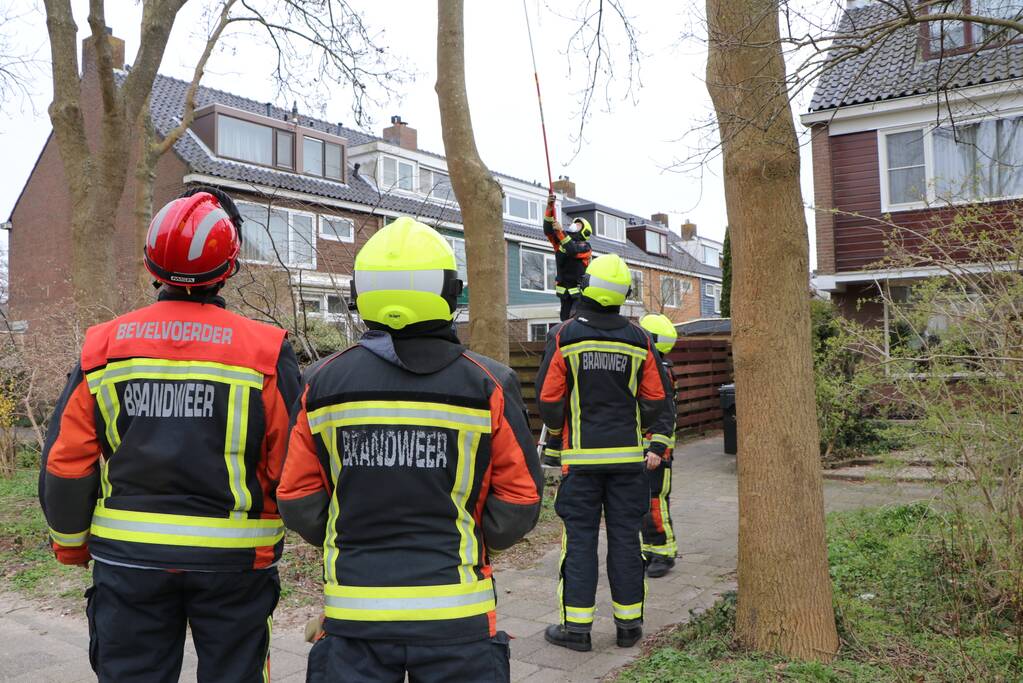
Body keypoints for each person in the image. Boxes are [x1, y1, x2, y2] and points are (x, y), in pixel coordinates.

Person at [38, 187, 301, 682]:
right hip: (235, 563)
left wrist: (71, 544)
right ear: (230, 266)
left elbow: (66, 463)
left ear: (150, 264)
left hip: (129, 563)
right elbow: (289, 461)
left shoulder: (104, 345)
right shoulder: (265, 349)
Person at [278, 217, 543, 683]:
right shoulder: (489, 383)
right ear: (449, 293)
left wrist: (346, 531)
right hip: (457, 617)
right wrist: (474, 537)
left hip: (354, 617)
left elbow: (297, 498)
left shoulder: (320, 382)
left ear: (360, 294)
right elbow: (520, 501)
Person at [535, 254, 675, 652]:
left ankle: (576, 630)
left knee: (579, 542)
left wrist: (558, 436)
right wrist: (641, 430)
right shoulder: (640, 339)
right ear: (624, 294)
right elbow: (656, 399)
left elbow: (549, 400)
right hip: (628, 462)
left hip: (580, 463)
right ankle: (629, 627)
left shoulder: (564, 336)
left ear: (586, 286)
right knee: (627, 541)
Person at [638, 314, 679, 578]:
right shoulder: (654, 368)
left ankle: (664, 553)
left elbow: (665, 414)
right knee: (643, 502)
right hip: (647, 449)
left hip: (656, 451)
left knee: (655, 502)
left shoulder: (660, 372)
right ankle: (649, 550)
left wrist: (656, 449)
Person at [542, 193, 592, 321]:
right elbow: (548, 231)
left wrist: (560, 231)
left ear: (584, 231)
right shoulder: (560, 242)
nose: (574, 225)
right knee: (564, 321)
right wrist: (549, 208)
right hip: (564, 294)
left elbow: (573, 251)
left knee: (575, 320)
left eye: (578, 225)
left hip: (578, 296)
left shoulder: (586, 247)